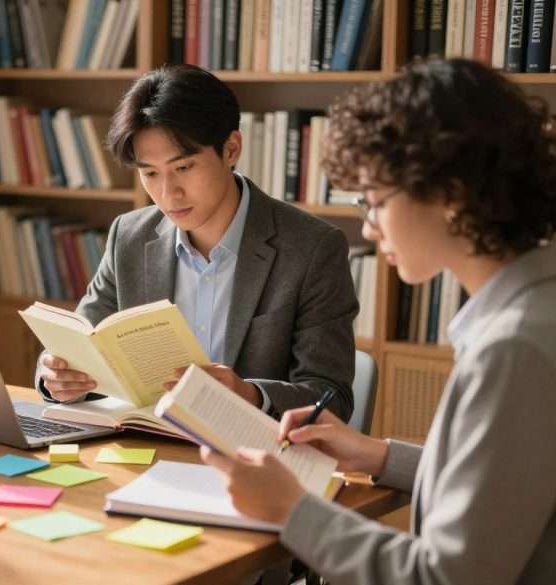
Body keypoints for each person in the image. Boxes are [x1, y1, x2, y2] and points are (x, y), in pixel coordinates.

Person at [201, 58, 556, 584]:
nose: (368, 227)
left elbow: (447, 578)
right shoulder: (532, 309)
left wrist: (292, 509)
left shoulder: (515, 347)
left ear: (451, 195)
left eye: (374, 201)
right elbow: (509, 488)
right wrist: (378, 455)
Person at [37, 65, 358, 421]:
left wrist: (249, 394)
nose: (167, 193)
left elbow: (332, 399)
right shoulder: (128, 237)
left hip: (252, 458)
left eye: (184, 168)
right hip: (146, 446)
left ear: (231, 148)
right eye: (150, 174)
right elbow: (80, 342)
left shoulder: (313, 249)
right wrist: (56, 375)